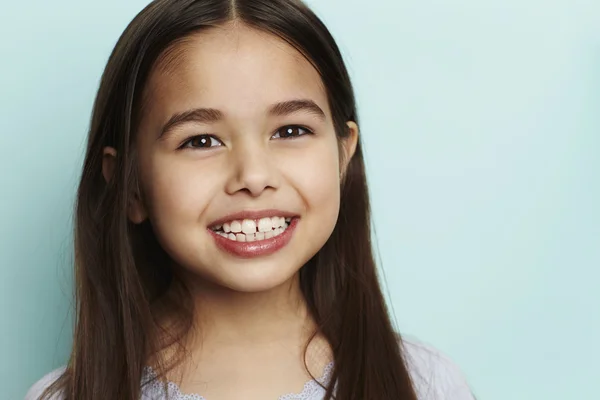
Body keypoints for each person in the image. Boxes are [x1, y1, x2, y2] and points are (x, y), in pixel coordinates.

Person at [25, 0, 477, 399]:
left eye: (291, 131)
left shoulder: (425, 385)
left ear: (343, 155)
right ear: (130, 186)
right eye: (200, 141)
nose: (254, 177)